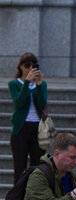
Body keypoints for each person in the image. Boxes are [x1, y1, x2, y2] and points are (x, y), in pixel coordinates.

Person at [8, 52, 47, 182]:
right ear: (20, 67)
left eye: (33, 65)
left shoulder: (42, 84)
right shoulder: (14, 84)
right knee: (19, 168)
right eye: (27, 65)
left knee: (37, 168)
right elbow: (19, 103)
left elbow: (42, 105)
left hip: (37, 128)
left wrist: (39, 86)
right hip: (21, 129)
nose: (30, 68)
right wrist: (26, 83)